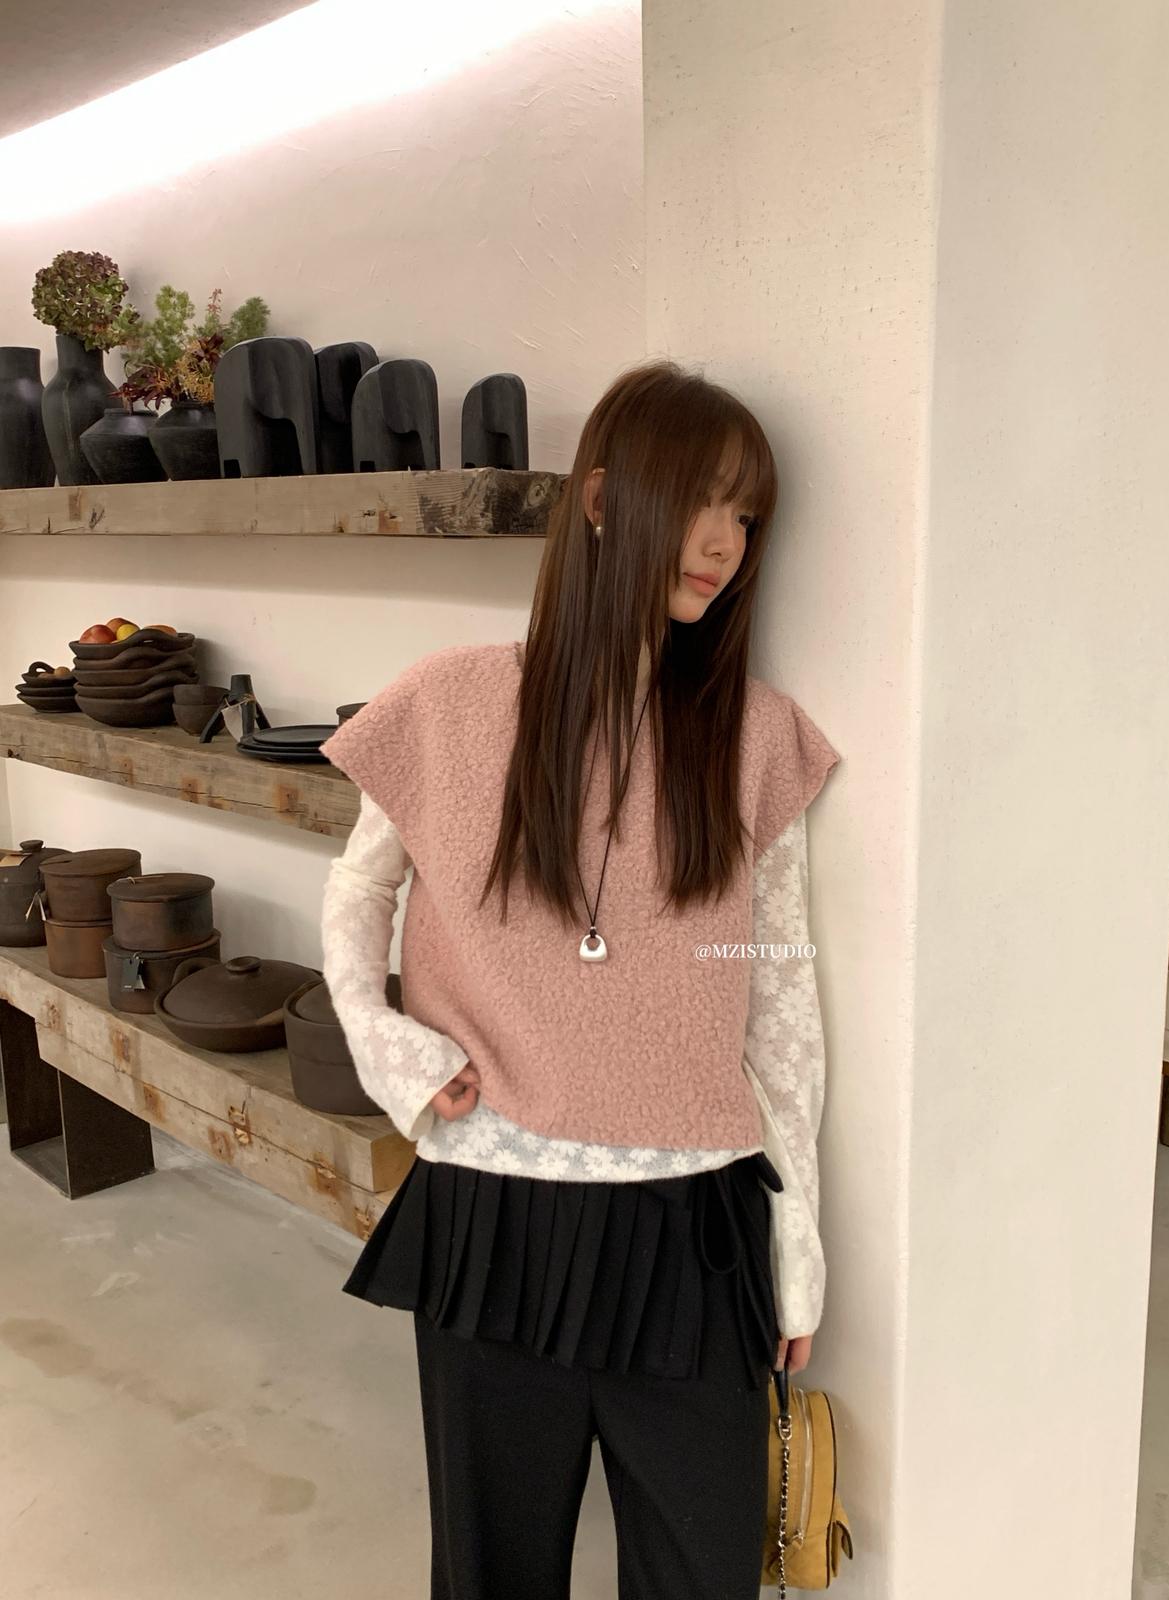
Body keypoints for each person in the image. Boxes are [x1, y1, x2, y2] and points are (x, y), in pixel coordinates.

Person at [318, 357, 840, 1600]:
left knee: (706, 1571)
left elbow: (780, 1000)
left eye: (746, 514)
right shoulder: (449, 702)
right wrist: (392, 1052)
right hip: (496, 1214)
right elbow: (357, 896)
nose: (724, 542)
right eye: (701, 501)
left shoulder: (753, 737)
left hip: (696, 1229)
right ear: (602, 501)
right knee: (492, 1573)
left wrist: (799, 1236)